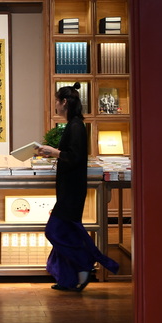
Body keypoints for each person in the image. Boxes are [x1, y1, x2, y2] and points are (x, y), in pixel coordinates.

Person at [36, 82, 119, 291]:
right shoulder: (74, 125)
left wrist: (54, 152)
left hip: (72, 191)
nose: (55, 105)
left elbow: (75, 157)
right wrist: (52, 153)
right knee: (67, 233)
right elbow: (71, 154)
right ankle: (69, 279)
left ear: (64, 102)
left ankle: (84, 263)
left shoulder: (76, 126)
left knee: (54, 231)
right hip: (69, 188)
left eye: (56, 101)